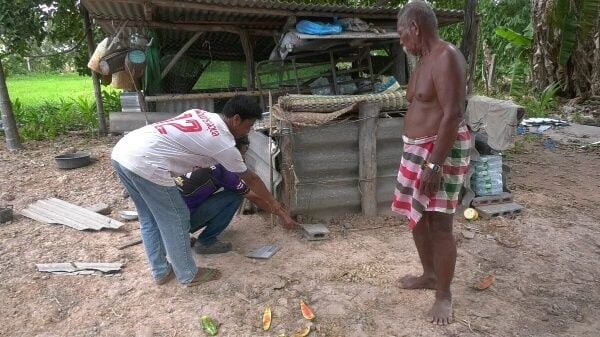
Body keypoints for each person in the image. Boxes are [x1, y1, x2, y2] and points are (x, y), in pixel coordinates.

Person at [111, 95, 296, 287]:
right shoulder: (223, 144)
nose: (247, 131)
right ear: (236, 119)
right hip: (146, 162)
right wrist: (276, 206)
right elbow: (252, 179)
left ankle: (160, 271)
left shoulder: (202, 114)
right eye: (248, 126)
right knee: (176, 217)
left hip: (123, 152)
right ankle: (188, 274)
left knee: (149, 218)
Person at [392, 1, 471, 325]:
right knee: (417, 218)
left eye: (401, 34)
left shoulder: (446, 57)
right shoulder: (423, 60)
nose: (400, 42)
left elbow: (453, 113)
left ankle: (444, 294)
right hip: (415, 150)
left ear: (415, 28)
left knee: (440, 225)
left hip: (439, 152)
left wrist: (434, 166)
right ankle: (429, 274)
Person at [175, 136, 296, 255]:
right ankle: (206, 242)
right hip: (181, 222)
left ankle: (181, 235)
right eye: (242, 153)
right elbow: (255, 197)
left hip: (168, 220)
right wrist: (282, 215)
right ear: (232, 152)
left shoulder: (208, 156)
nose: (243, 158)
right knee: (235, 196)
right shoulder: (223, 171)